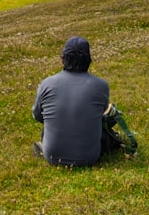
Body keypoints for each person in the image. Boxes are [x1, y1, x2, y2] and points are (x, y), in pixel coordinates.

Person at [32, 36, 122, 166]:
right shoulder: (101, 85)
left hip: (52, 156)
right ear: (88, 60)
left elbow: (38, 116)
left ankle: (47, 144)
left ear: (63, 59)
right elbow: (100, 117)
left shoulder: (46, 84)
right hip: (90, 157)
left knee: (47, 128)